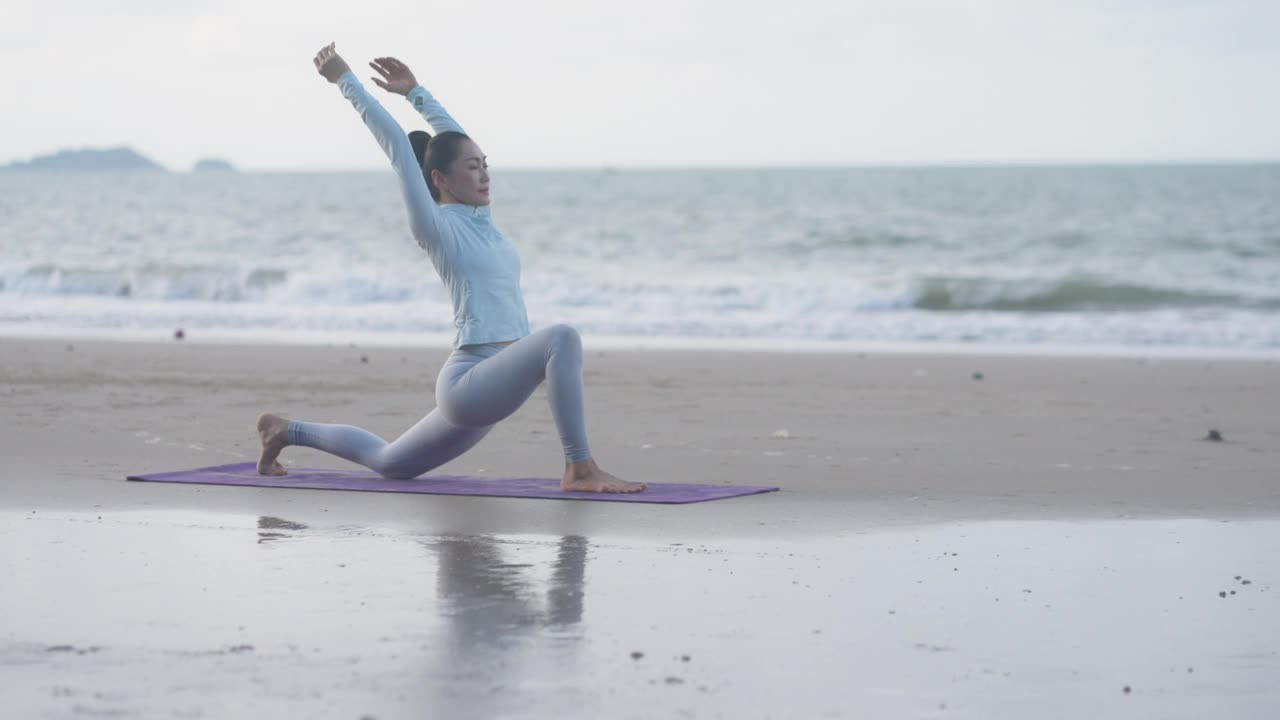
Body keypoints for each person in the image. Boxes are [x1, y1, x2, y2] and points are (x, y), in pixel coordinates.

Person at [254, 42, 645, 494]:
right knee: (562, 338)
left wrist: (416, 93)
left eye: (485, 166)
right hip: (469, 384)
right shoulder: (436, 227)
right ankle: (580, 468)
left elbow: (455, 140)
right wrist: (346, 80)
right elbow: (399, 146)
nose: (484, 175)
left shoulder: (483, 220)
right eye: (472, 168)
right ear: (440, 179)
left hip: (489, 383)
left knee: (390, 462)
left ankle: (283, 431)